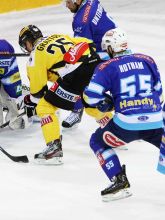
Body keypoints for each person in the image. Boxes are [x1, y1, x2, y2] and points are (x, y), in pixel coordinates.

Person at [82, 28, 163, 202]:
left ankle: (119, 180)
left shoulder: (106, 66)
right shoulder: (147, 60)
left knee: (96, 141)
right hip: (156, 120)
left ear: (111, 48)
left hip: (125, 125)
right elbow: (160, 94)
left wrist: (108, 102)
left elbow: (92, 97)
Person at [18, 24, 103, 165]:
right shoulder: (55, 36)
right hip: (94, 62)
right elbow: (89, 43)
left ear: (28, 43)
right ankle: (112, 131)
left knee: (44, 107)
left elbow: (38, 93)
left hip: (76, 74)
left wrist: (28, 100)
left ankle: (53, 148)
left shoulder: (35, 54)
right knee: (88, 99)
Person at [61, 0, 123, 129]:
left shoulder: (81, 21)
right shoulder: (91, 1)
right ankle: (132, 113)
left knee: (77, 76)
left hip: (105, 53)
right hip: (119, 44)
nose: (66, 5)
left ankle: (78, 110)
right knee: (121, 85)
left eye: (67, 2)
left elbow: (84, 50)